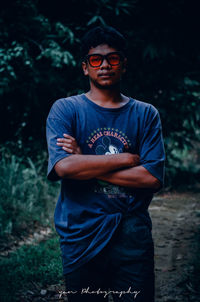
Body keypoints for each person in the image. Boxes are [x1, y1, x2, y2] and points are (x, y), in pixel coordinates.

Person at [46, 26, 165, 302]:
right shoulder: (66, 109)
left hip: (132, 234)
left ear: (123, 64)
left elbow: (152, 178)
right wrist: (125, 159)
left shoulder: (145, 114)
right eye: (96, 60)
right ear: (85, 68)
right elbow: (64, 168)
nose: (105, 66)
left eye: (112, 59)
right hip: (80, 234)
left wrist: (84, 163)